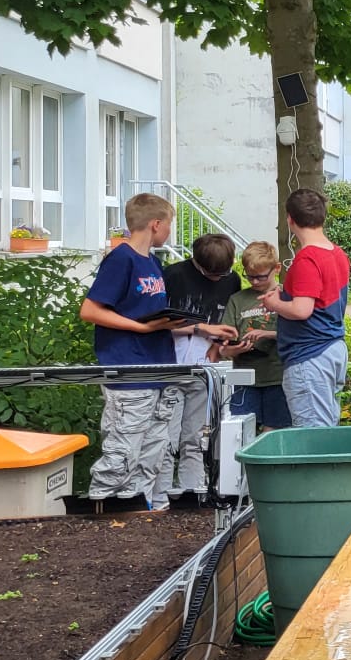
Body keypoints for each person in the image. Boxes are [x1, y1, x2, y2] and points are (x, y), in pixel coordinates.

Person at [81, 192, 189, 512]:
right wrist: (140, 328)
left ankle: (136, 515)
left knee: (153, 452)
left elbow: (149, 315)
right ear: (156, 224)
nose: (170, 231)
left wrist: (195, 327)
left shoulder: (153, 263)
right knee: (122, 451)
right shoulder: (121, 259)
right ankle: (102, 512)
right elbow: (91, 310)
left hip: (158, 369)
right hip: (129, 371)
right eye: (169, 224)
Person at [160, 232, 240, 508]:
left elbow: (230, 322)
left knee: (196, 436)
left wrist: (218, 347)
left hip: (206, 367)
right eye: (210, 273)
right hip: (169, 365)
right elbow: (156, 324)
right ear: (196, 261)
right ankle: (160, 496)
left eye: (223, 273)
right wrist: (201, 328)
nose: (217, 278)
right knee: (165, 437)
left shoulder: (231, 280)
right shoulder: (172, 276)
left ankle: (191, 494)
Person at [258, 188, 350, 428]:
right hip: (332, 349)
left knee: (312, 436)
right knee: (327, 430)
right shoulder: (338, 254)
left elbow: (302, 310)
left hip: (309, 355)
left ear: (290, 219)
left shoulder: (307, 259)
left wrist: (274, 303)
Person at [214, 242, 290, 430]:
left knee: (273, 431)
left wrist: (268, 334)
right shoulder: (237, 300)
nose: (255, 282)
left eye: (261, 277)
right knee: (240, 430)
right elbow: (224, 345)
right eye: (250, 276)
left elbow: (298, 335)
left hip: (277, 376)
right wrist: (233, 349)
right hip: (244, 378)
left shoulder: (287, 296)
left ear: (277, 269)